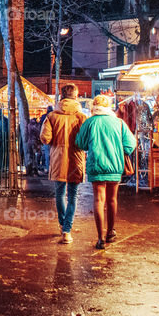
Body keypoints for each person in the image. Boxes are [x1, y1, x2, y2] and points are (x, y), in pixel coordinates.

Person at [75, 94, 137, 250]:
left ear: (94, 107)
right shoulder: (119, 123)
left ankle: (100, 238)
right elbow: (131, 143)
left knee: (98, 200)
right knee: (112, 199)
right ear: (108, 106)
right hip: (115, 165)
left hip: (96, 165)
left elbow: (80, 143)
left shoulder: (89, 122)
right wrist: (120, 151)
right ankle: (110, 232)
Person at [40, 84, 88, 244]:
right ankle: (67, 230)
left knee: (60, 194)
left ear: (61, 97)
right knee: (73, 196)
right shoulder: (81, 117)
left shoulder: (52, 116)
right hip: (76, 159)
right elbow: (86, 141)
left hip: (58, 159)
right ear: (76, 96)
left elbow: (45, 138)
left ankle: (62, 224)